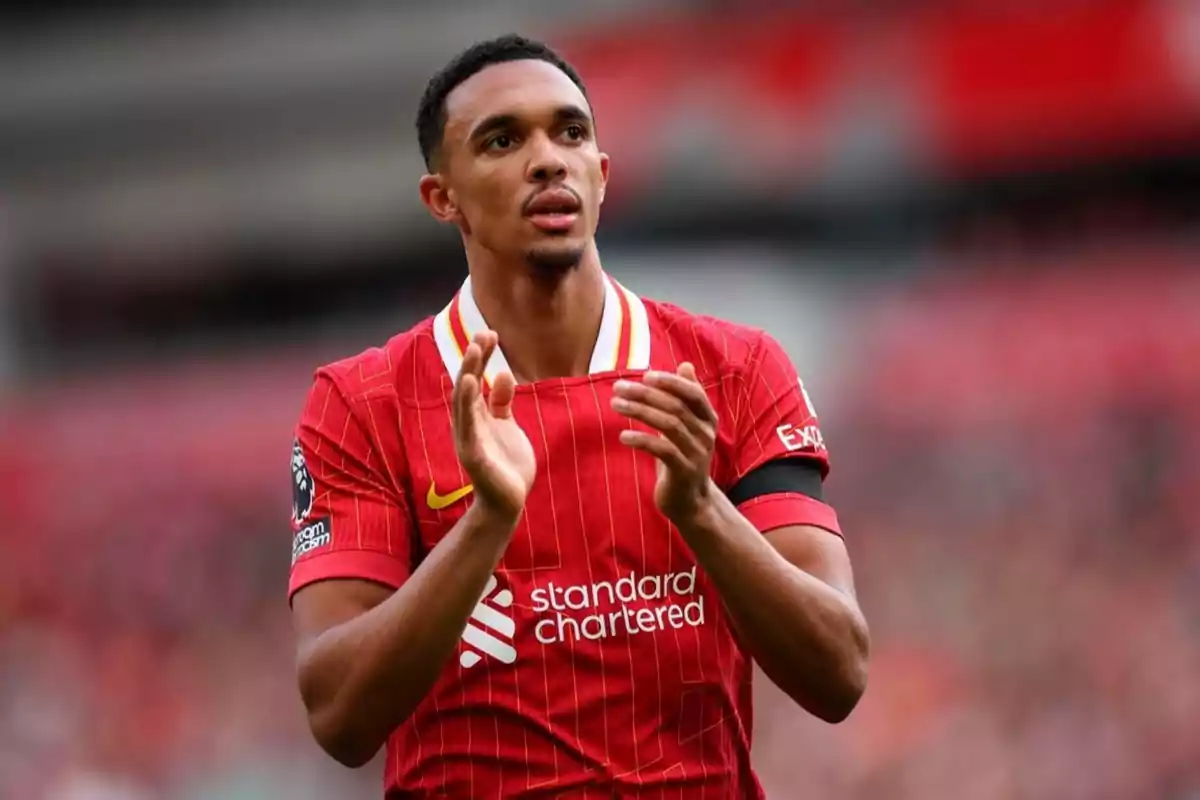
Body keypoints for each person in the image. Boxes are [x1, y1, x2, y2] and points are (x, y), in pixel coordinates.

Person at [287, 34, 869, 798]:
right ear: (444, 198)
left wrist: (701, 511)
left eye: (570, 132)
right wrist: (487, 523)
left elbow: (839, 674)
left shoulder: (734, 368)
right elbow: (339, 717)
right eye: (502, 140)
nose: (547, 160)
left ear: (600, 174)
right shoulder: (363, 402)